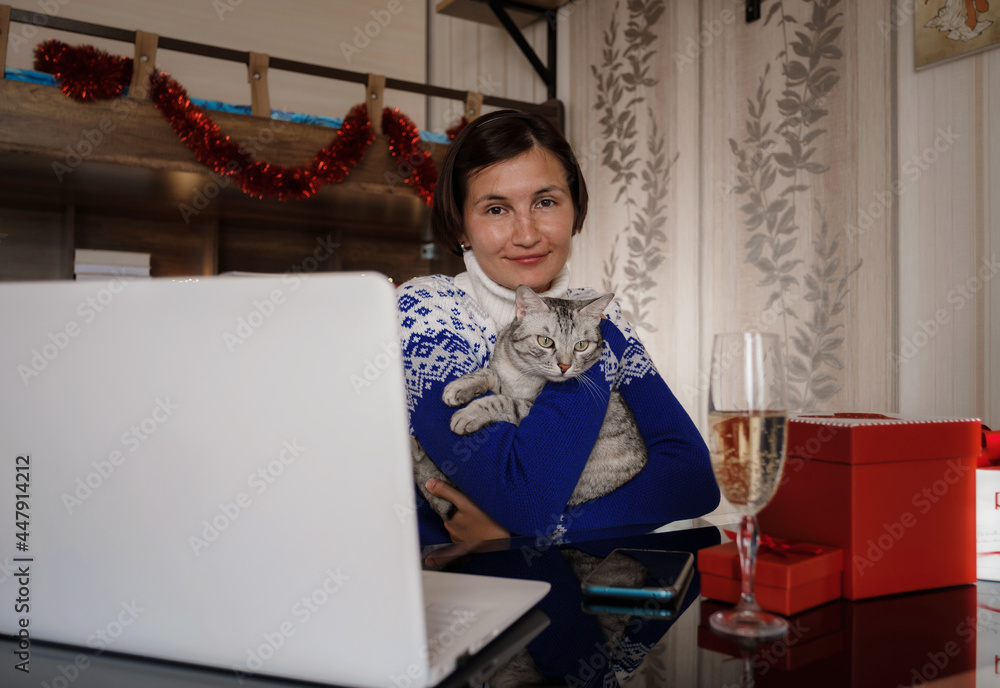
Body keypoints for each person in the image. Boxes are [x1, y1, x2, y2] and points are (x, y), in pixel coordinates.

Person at [397, 109, 720, 547]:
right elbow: (523, 498)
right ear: (461, 227)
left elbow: (691, 480)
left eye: (545, 202)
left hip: (573, 585)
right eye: (496, 209)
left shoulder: (599, 315)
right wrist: (529, 522)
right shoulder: (427, 312)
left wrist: (548, 533)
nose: (527, 234)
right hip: (456, 595)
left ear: (575, 209)